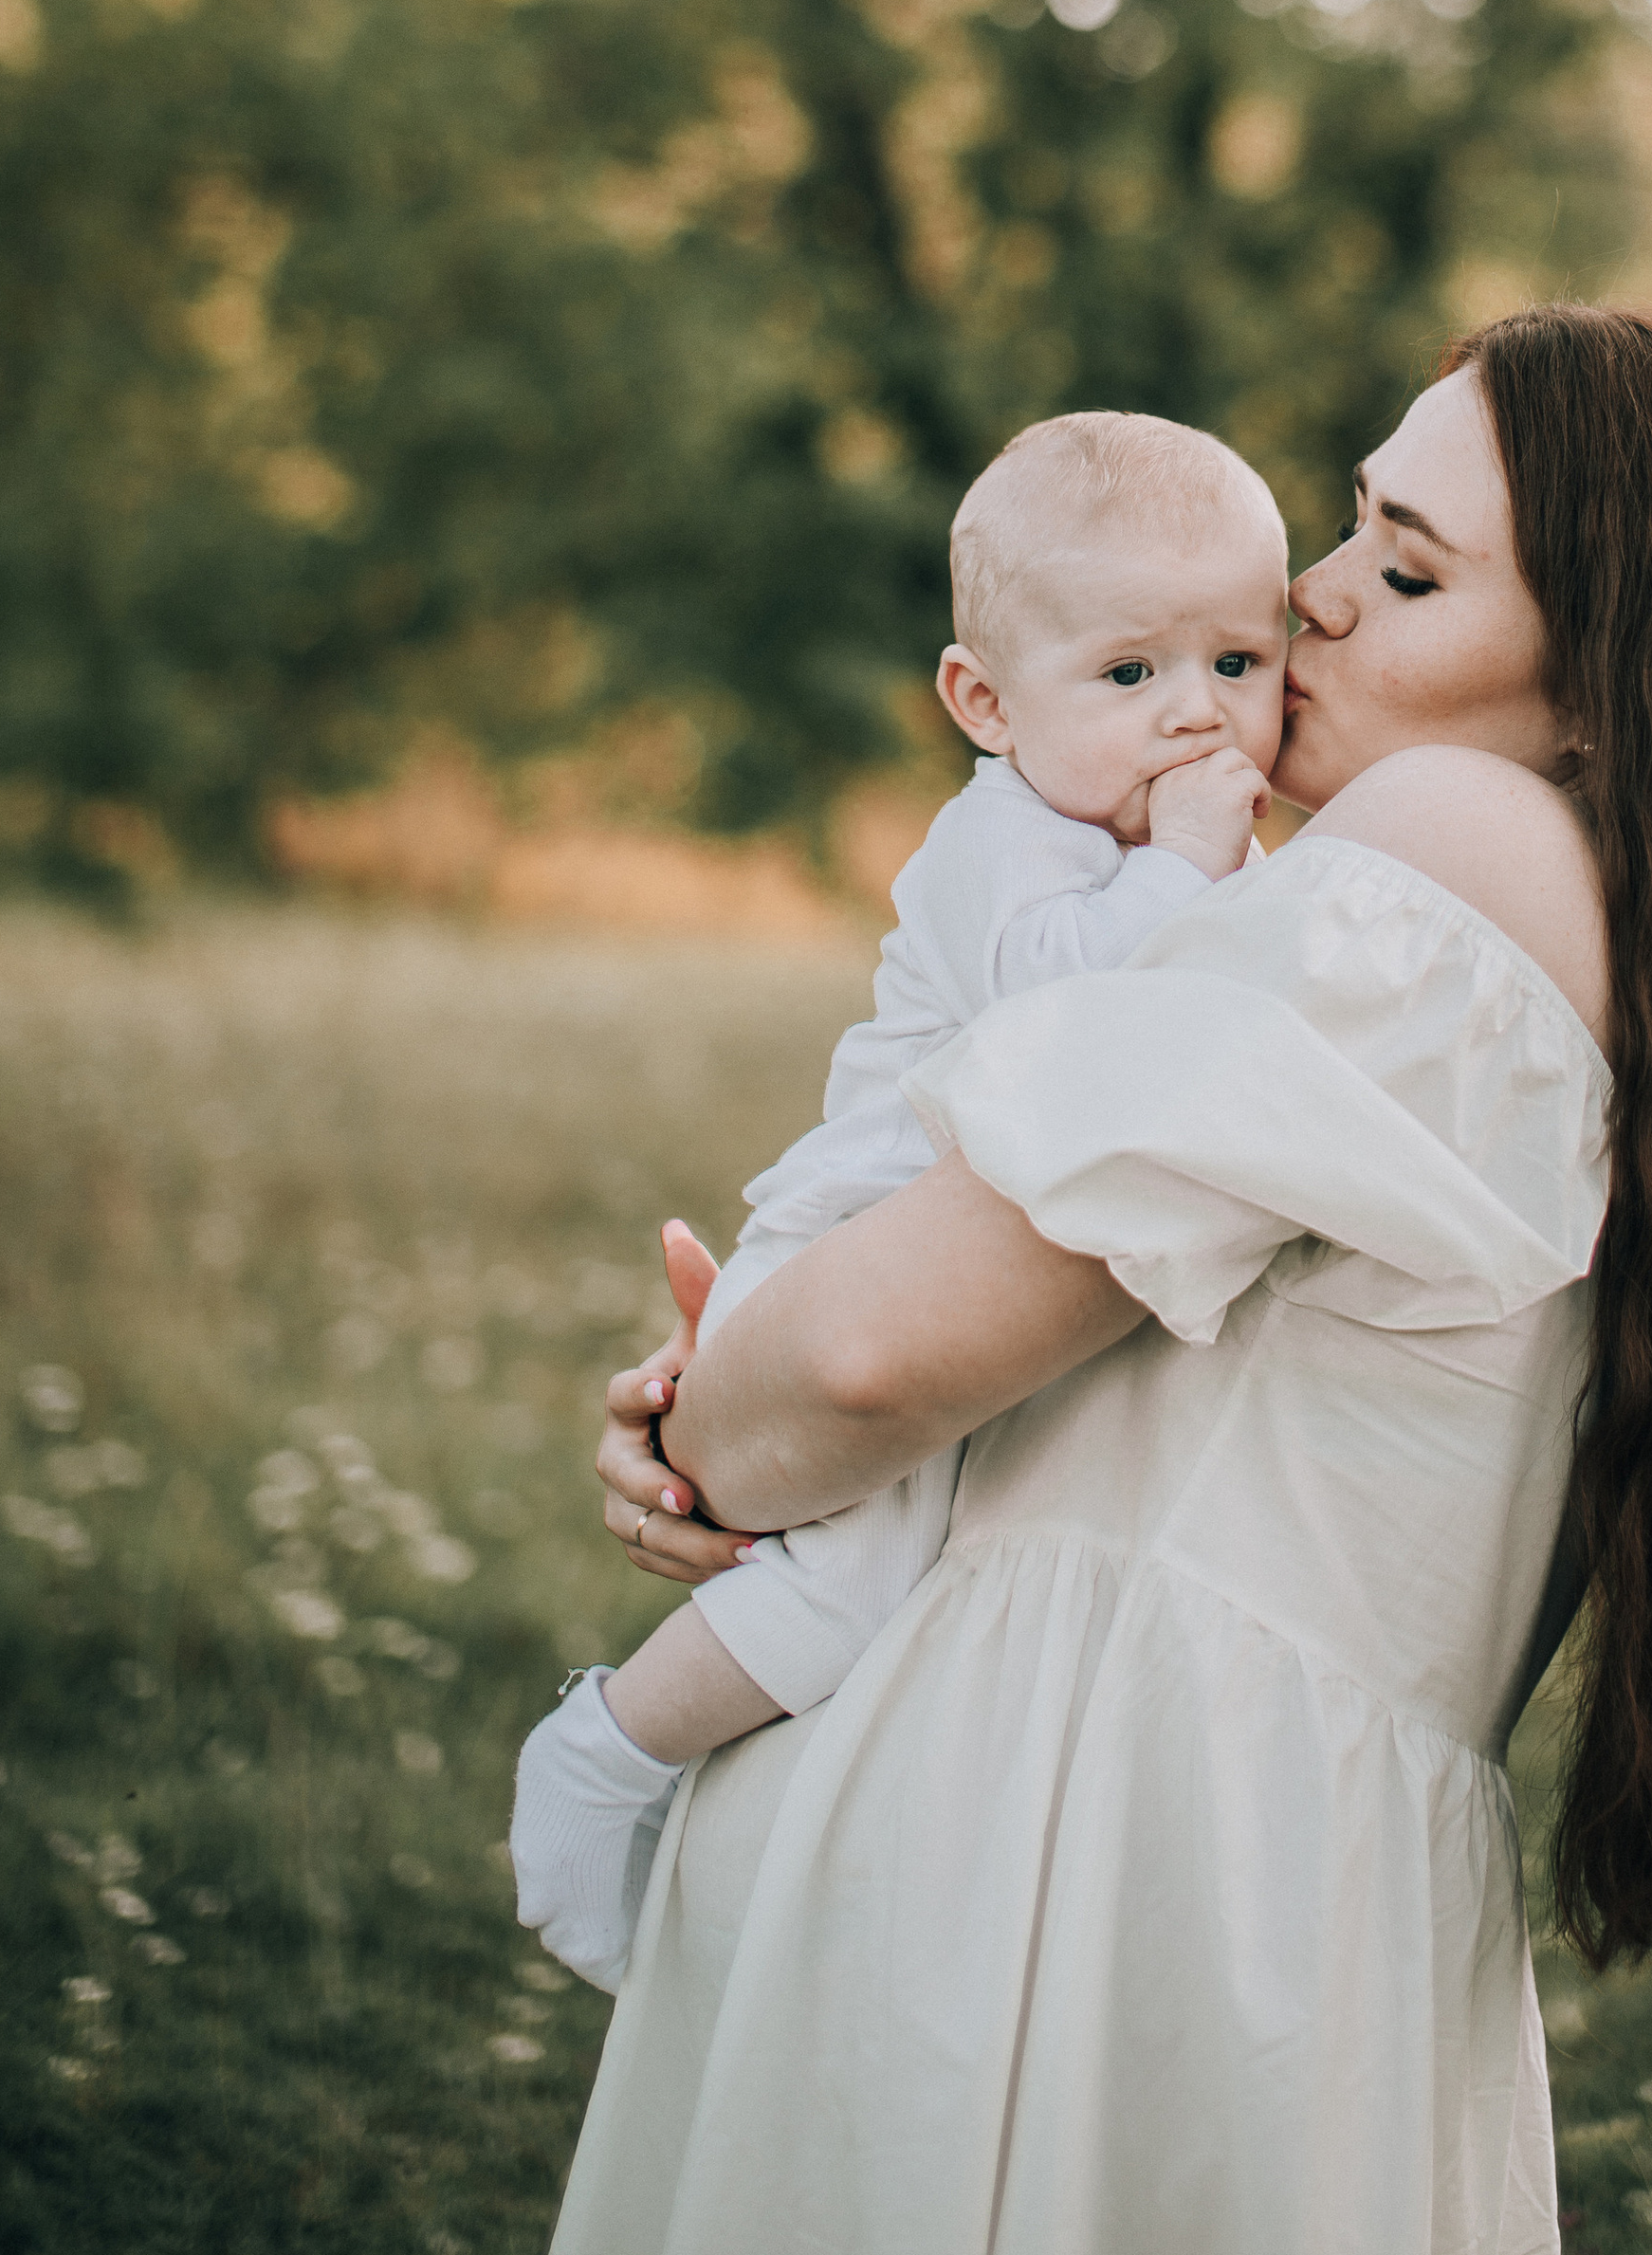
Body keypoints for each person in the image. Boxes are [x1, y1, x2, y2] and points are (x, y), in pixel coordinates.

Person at [553, 306, 1652, 2255]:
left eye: (1406, 571)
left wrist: (706, 1421)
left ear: (1603, 687)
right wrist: (739, 1409)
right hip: (1277, 1914)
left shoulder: (1447, 854)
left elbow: (867, 1359)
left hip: (1060, 1869)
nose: (1307, 597)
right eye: (1349, 524)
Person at [508, 410, 1288, 1986]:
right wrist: (1190, 868)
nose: (1196, 712)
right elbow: (1056, 1010)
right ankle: (603, 1753)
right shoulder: (1002, 840)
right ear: (985, 703)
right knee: (845, 1588)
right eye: (1128, 673)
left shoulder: (1161, 842)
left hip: (951, 1259)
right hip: (852, 1246)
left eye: (1238, 662)